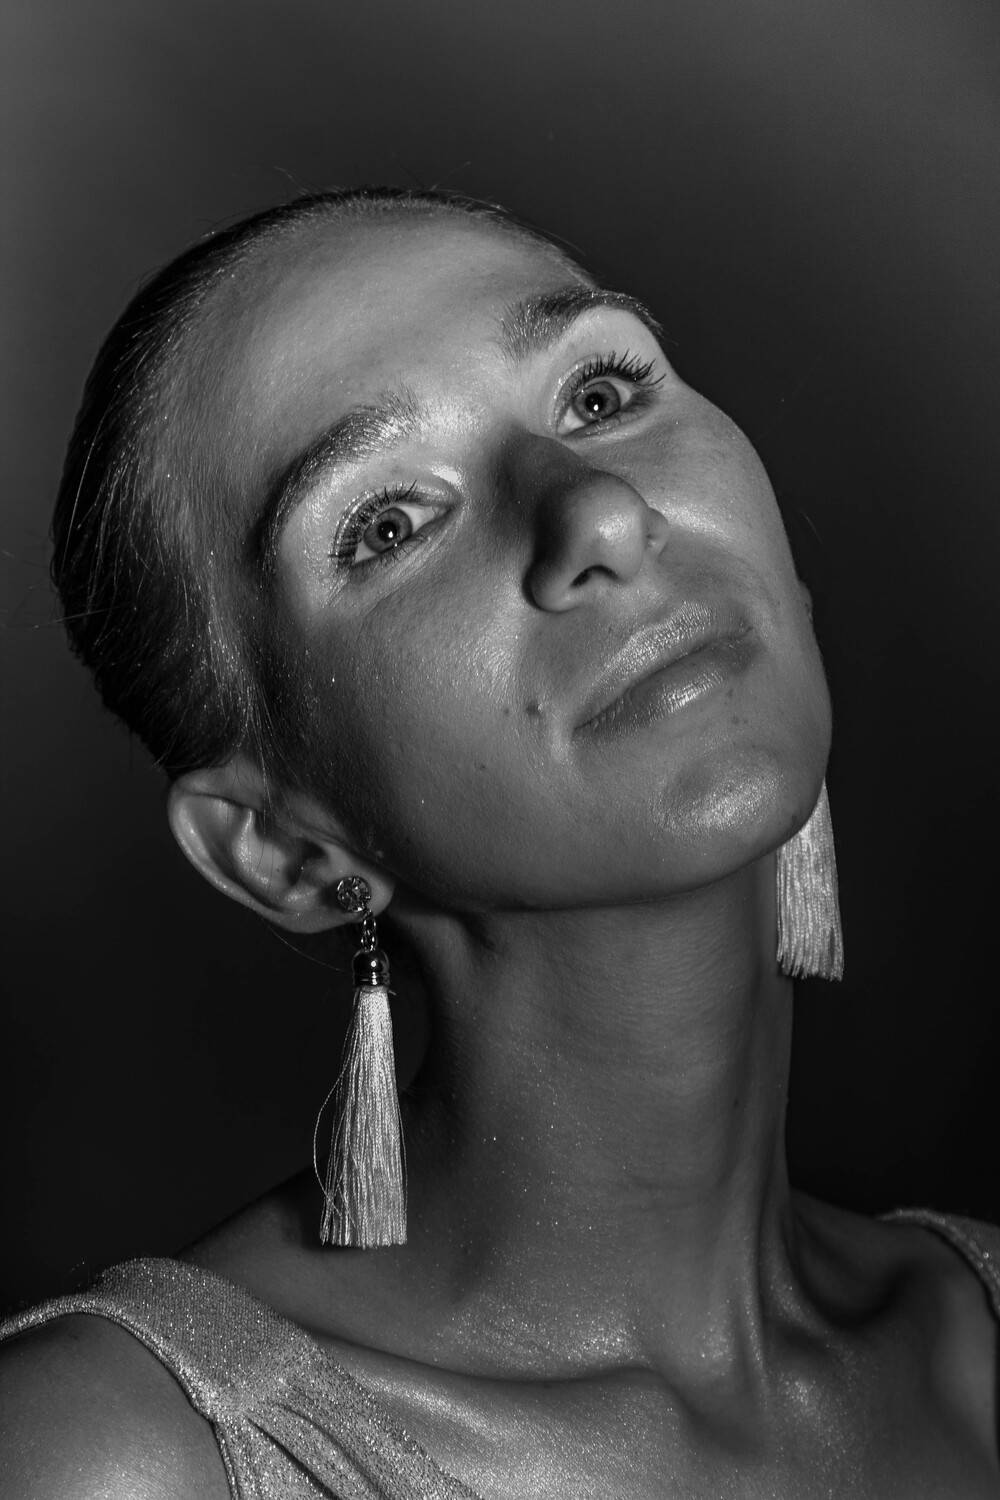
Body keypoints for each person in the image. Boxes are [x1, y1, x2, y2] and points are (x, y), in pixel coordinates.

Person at [0, 188, 996, 1498]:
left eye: (600, 393)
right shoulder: (112, 1458)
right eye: (388, 524)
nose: (599, 512)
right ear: (283, 848)